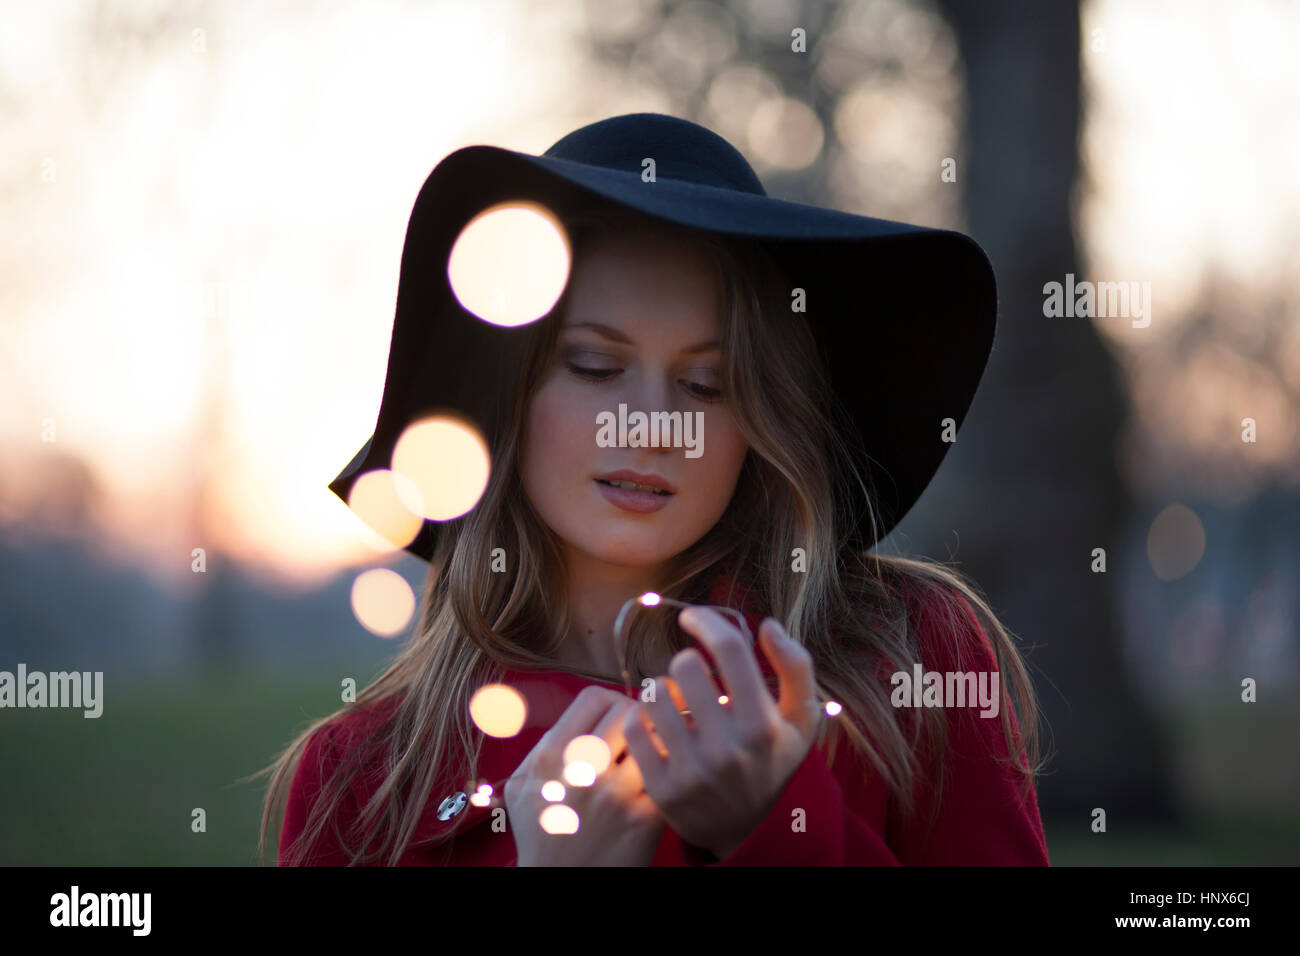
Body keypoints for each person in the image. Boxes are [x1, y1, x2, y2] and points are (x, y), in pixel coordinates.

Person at [258, 113, 1050, 866]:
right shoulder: (360, 778)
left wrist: (773, 828)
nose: (650, 426)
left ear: (761, 420)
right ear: (505, 397)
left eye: (708, 385)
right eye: (595, 368)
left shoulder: (905, 660)